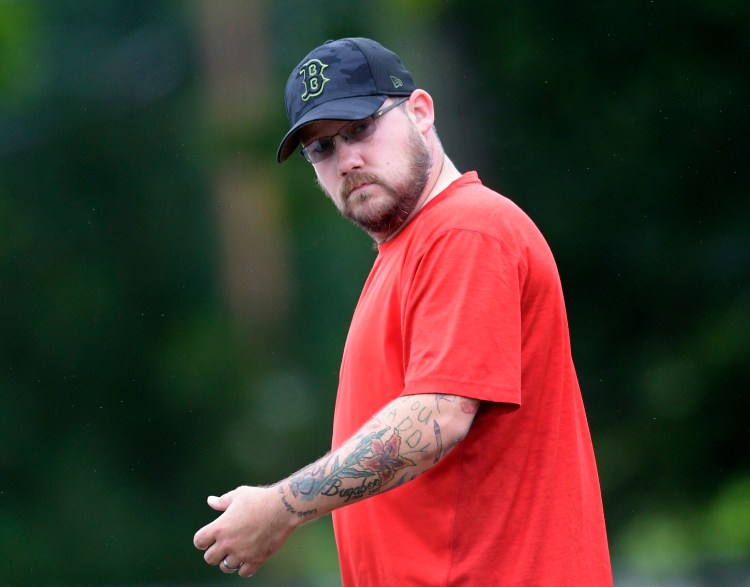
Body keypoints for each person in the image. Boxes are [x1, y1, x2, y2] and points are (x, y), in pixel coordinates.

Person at [193, 37, 613, 586]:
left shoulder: (466, 230)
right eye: (321, 148)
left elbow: (437, 416)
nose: (347, 160)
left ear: (420, 111)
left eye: (360, 128)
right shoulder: (408, 251)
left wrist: (282, 506)